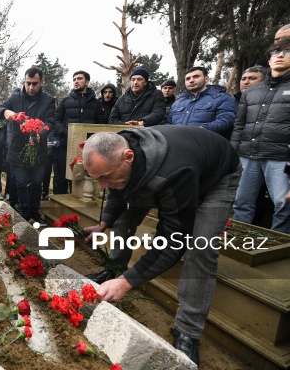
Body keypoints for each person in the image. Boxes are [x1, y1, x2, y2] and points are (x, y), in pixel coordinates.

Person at [82, 126, 242, 365]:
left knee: (200, 247)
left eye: (105, 177)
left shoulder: (173, 173)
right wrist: (104, 223)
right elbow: (117, 193)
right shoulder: (118, 152)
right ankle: (114, 271)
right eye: (98, 179)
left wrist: (128, 283)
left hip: (216, 176)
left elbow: (172, 241)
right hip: (178, 167)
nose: (102, 185)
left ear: (128, 158)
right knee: (123, 218)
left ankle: (188, 330)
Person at [231, 39, 290, 234]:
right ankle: (239, 240)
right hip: (248, 155)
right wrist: (233, 155)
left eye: (287, 52)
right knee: (241, 201)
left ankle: (277, 250)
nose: (279, 56)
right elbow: (239, 125)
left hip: (281, 158)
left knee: (283, 204)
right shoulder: (252, 92)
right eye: (275, 53)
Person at [0, 67, 55, 226]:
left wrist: (39, 135)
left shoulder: (48, 101)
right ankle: (26, 213)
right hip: (17, 150)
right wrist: (5, 112)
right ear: (24, 81)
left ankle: (35, 211)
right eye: (28, 83)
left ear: (42, 82)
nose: (31, 87)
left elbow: (49, 123)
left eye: (35, 83)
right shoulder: (15, 97)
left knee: (36, 183)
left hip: (39, 150)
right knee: (21, 182)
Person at [53, 71, 107, 194]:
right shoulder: (65, 101)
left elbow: (100, 123)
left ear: (87, 82)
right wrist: (65, 133)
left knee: (81, 179)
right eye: (74, 79)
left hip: (87, 148)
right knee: (60, 178)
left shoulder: (96, 103)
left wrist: (91, 140)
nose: (76, 81)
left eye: (79, 79)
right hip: (65, 146)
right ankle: (59, 208)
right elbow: (56, 120)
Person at [166, 66, 236, 139]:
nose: (191, 80)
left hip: (205, 144)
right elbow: (168, 122)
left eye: (196, 77)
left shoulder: (221, 98)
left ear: (206, 79)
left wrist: (201, 130)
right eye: (188, 79)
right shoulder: (178, 102)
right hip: (176, 143)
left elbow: (226, 120)